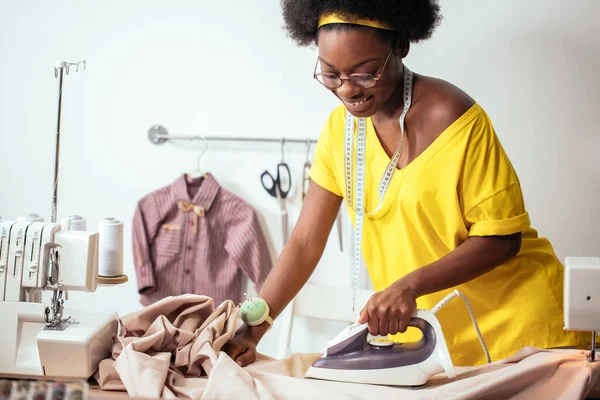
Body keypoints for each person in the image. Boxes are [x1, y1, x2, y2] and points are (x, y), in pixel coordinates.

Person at [223, 0, 586, 367]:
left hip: (527, 333)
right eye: (331, 75)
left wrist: (408, 286)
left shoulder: (455, 119)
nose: (347, 90)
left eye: (365, 73)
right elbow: (304, 243)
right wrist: (253, 331)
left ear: (400, 46)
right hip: (441, 348)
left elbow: (502, 239)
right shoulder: (340, 133)